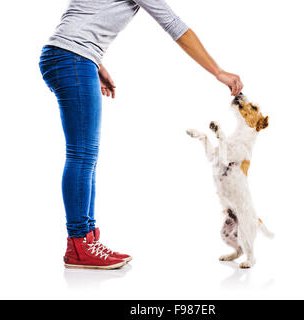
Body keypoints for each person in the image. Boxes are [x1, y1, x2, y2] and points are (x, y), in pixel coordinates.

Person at [39, 0, 243, 270]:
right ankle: (79, 245)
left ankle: (86, 239)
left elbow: (84, 14)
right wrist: (218, 72)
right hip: (73, 58)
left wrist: (94, 62)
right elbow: (174, 25)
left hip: (70, 56)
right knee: (82, 155)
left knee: (86, 156)